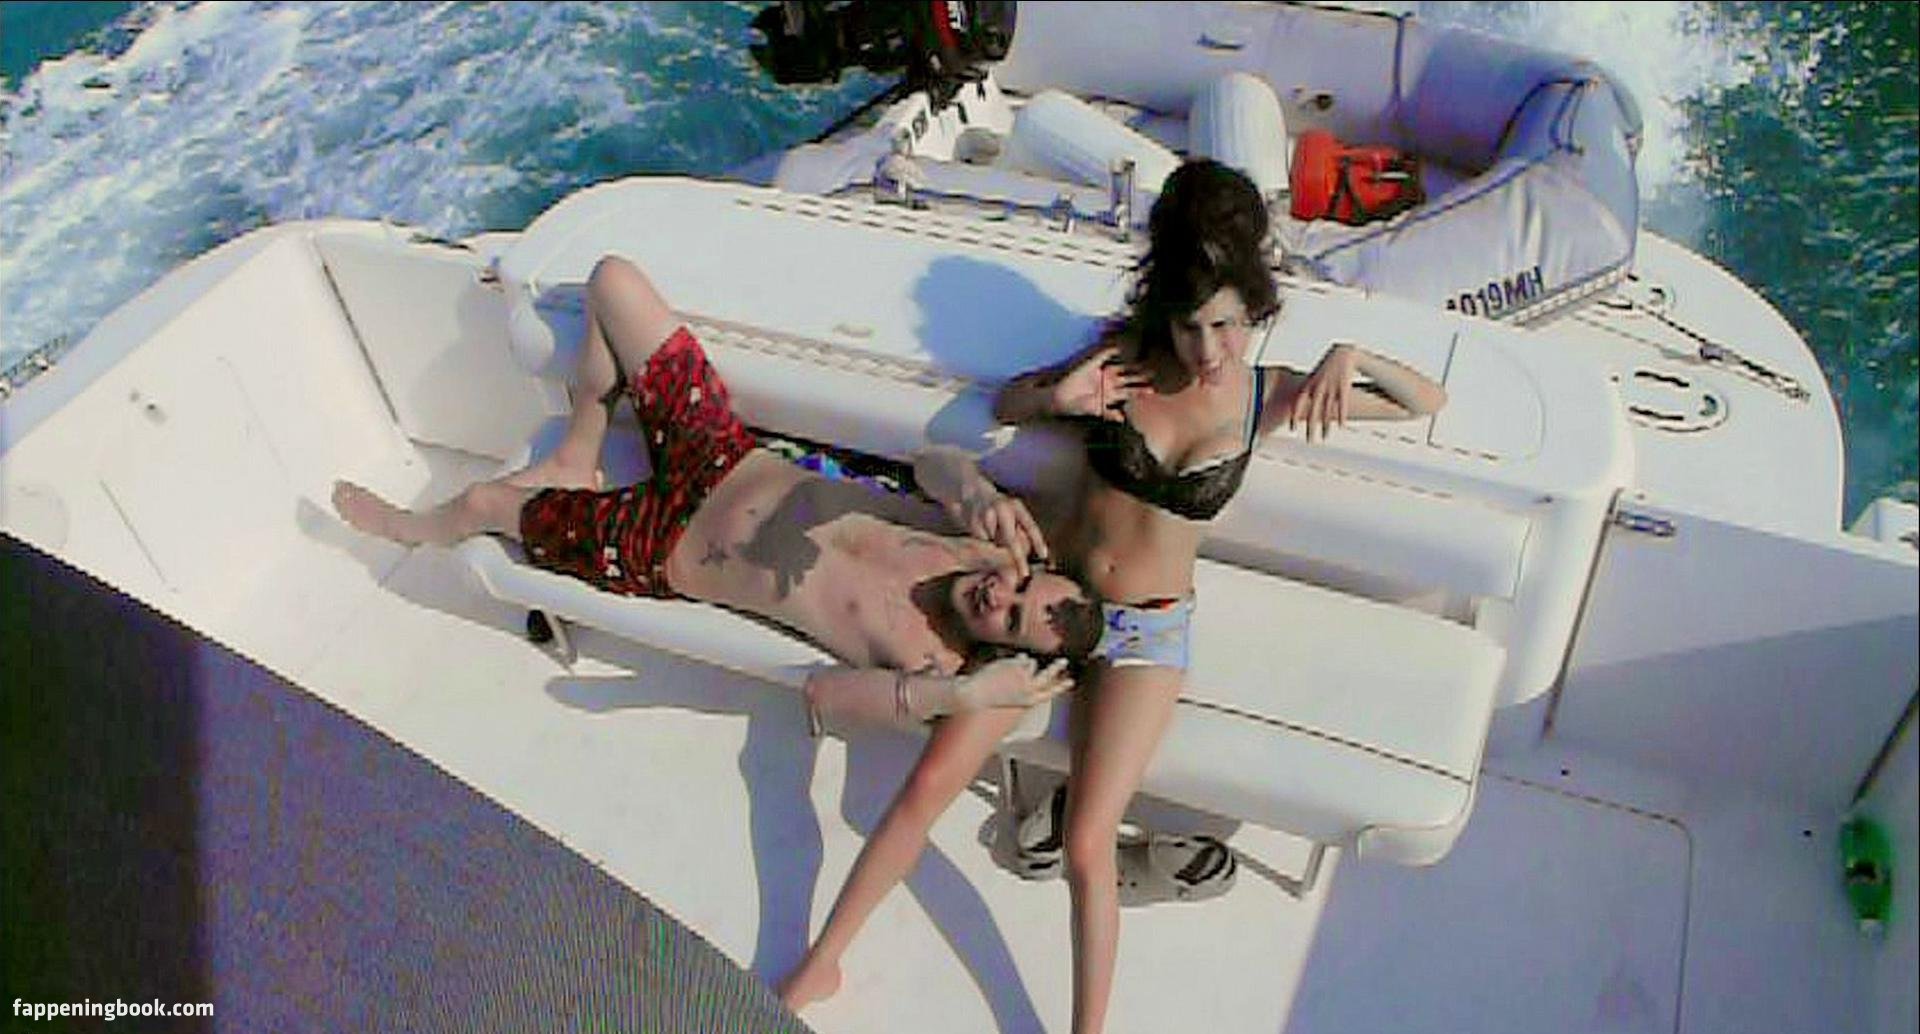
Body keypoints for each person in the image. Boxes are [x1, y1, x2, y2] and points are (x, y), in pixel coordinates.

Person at [779, 159, 1447, 1031]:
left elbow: (1427, 399)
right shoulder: (1122, 360)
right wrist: (1055, 397)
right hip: (1045, 601)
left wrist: (1352, 358)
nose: (1206, 350)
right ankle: (822, 964)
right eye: (1188, 325)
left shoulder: (1267, 396)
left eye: (1225, 325)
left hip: (1146, 636)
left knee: (1091, 843)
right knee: (930, 780)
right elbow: (1008, 402)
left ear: (1255, 307)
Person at [332, 253, 1102, 731]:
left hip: (660, 546)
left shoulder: (929, 662)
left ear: (1000, 651)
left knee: (480, 507)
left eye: (1010, 619)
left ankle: (407, 529)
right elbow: (929, 461)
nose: (999, 594)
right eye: (1022, 585)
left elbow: (824, 698)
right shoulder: (974, 537)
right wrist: (967, 485)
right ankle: (577, 451)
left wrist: (961, 702)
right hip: (721, 457)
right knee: (613, 282)